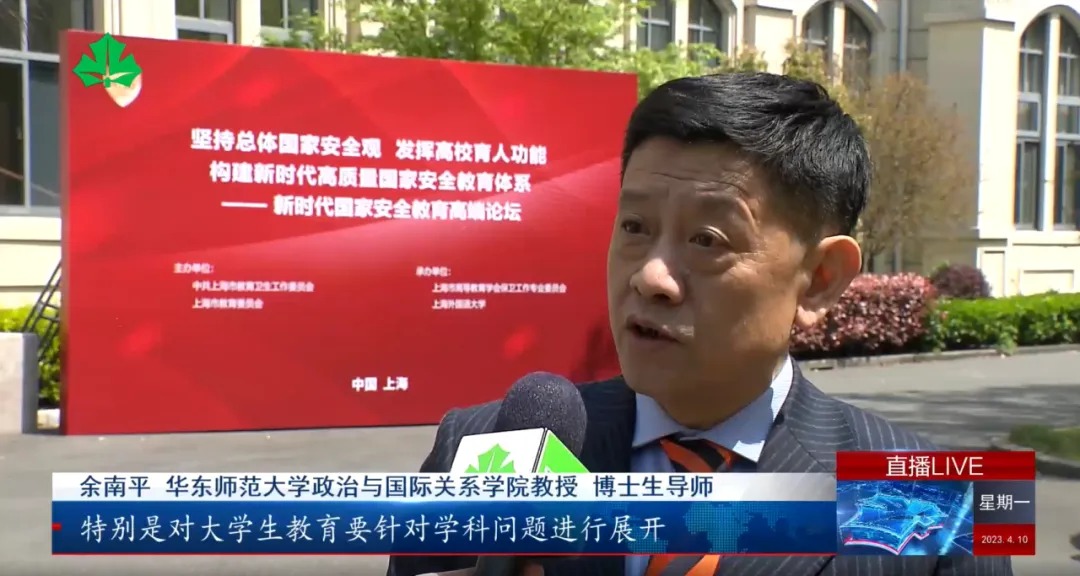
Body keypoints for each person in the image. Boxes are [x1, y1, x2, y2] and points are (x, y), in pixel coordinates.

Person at [387, 72, 1014, 576]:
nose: (650, 277)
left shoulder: (942, 504)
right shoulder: (477, 450)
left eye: (707, 239)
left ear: (821, 278)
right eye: (635, 227)